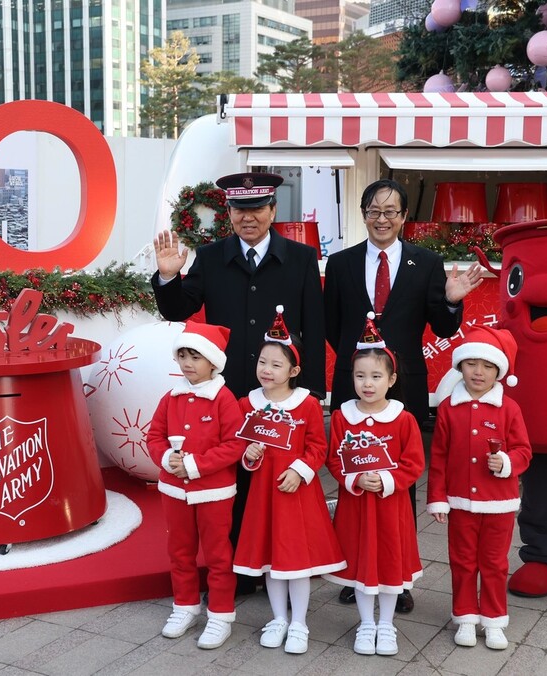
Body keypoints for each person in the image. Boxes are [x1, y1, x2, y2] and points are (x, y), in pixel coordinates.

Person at [153, 171, 326, 594]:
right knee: (234, 479)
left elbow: (314, 326)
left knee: (277, 476)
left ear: (272, 211)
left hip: (281, 390)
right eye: (239, 210)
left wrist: (314, 392)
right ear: (228, 213)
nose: (248, 218)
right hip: (229, 391)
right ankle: (241, 568)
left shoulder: (301, 258)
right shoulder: (211, 257)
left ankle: (282, 559)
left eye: (256, 210)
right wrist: (168, 277)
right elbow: (179, 309)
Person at [323, 178, 483, 611]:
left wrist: (451, 301)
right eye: (374, 211)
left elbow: (444, 328)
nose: (382, 219)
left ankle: (398, 576)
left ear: (404, 216)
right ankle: (352, 569)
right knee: (350, 475)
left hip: (405, 387)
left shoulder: (426, 263)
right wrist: (363, 374)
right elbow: (333, 326)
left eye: (391, 211)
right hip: (353, 386)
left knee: (399, 481)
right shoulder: (339, 264)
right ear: (363, 214)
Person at [232, 306, 346, 655]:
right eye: (262, 361)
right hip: (263, 495)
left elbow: (318, 446)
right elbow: (240, 447)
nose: (267, 370)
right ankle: (279, 617)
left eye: (276, 364)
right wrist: (248, 457)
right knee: (269, 558)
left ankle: (299, 622)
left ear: (294, 370)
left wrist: (300, 470)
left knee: (296, 561)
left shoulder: (307, 405)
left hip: (296, 495)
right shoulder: (245, 403)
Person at [323, 316, 425, 656]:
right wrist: (353, 479)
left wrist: (384, 479)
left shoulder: (403, 419)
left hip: (390, 508)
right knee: (362, 566)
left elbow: (413, 464)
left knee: (389, 566)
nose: (367, 383)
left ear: (391, 379)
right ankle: (366, 624)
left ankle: (387, 624)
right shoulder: (341, 416)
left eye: (376, 376)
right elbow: (335, 460)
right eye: (360, 376)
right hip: (357, 508)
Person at [426, 326, 532, 650]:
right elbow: (439, 457)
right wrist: (438, 499)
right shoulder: (448, 408)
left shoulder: (509, 409)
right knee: (461, 562)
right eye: (472, 364)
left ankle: (494, 619)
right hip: (460, 504)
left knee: (495, 564)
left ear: (498, 371)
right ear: (460, 366)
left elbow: (524, 451)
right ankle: (466, 617)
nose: (478, 372)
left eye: (487, 366)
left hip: (499, 504)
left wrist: (507, 463)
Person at [146, 320, 245, 650]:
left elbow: (234, 445)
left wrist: (193, 464)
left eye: (196, 357)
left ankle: (220, 614)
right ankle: (185, 606)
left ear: (213, 362)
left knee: (218, 554)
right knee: (180, 552)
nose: (188, 363)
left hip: (213, 493)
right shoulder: (171, 397)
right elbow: (154, 436)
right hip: (174, 491)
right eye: (183, 356)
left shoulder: (224, 399)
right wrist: (166, 461)